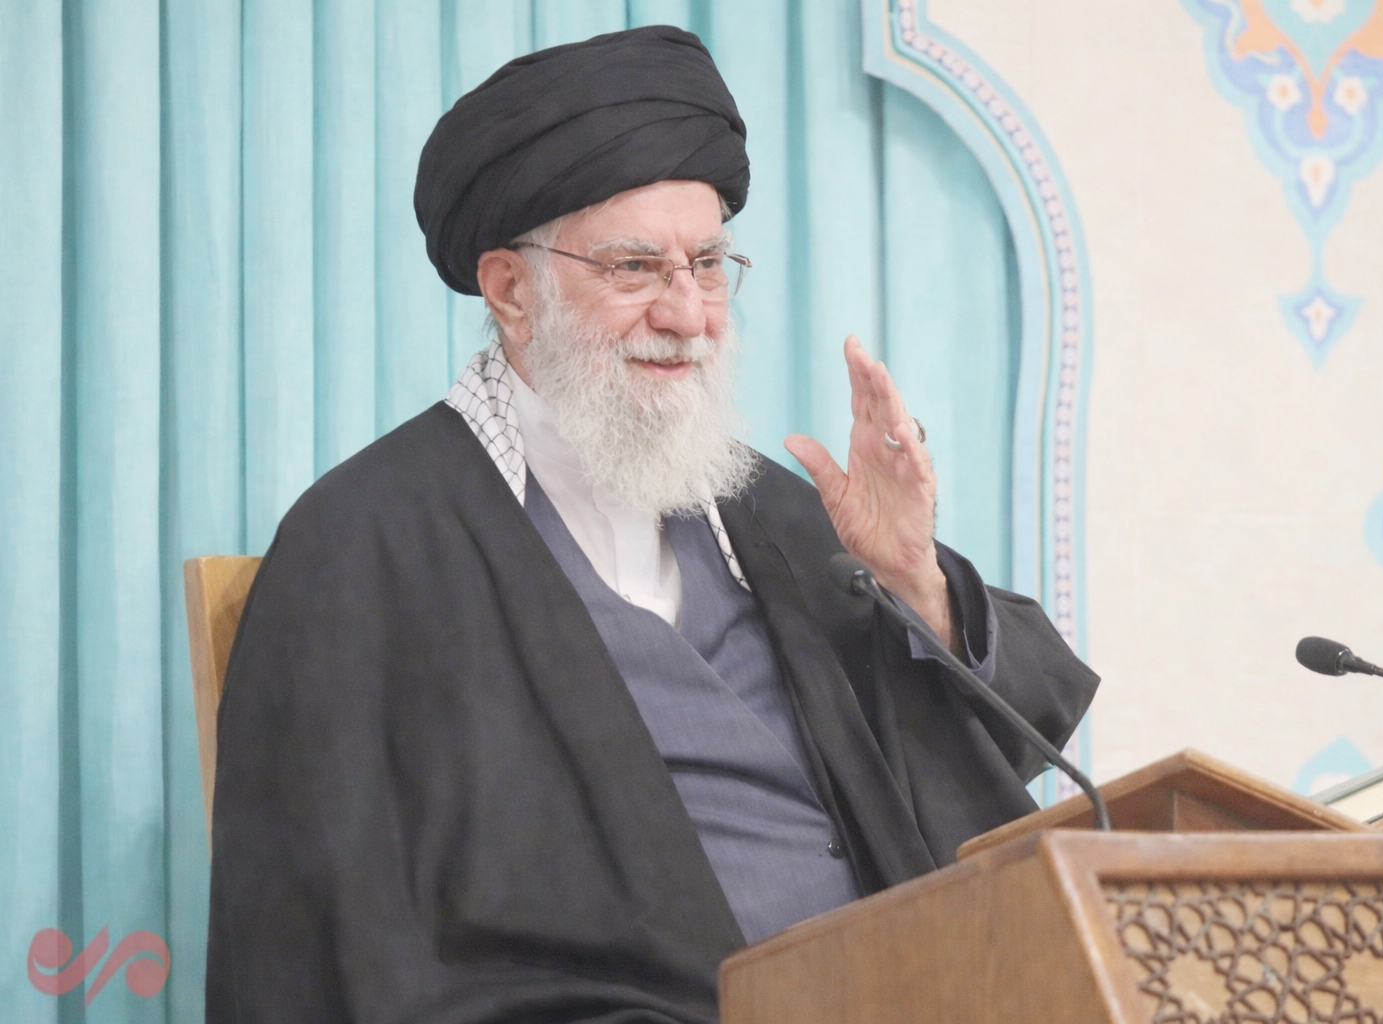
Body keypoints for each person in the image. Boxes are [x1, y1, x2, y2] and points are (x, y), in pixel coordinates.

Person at [206, 24, 1096, 1024]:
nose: (688, 313)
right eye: (637, 269)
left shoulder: (780, 515)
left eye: (709, 265)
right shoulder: (365, 546)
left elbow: (1005, 756)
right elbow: (315, 932)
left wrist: (914, 585)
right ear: (510, 289)